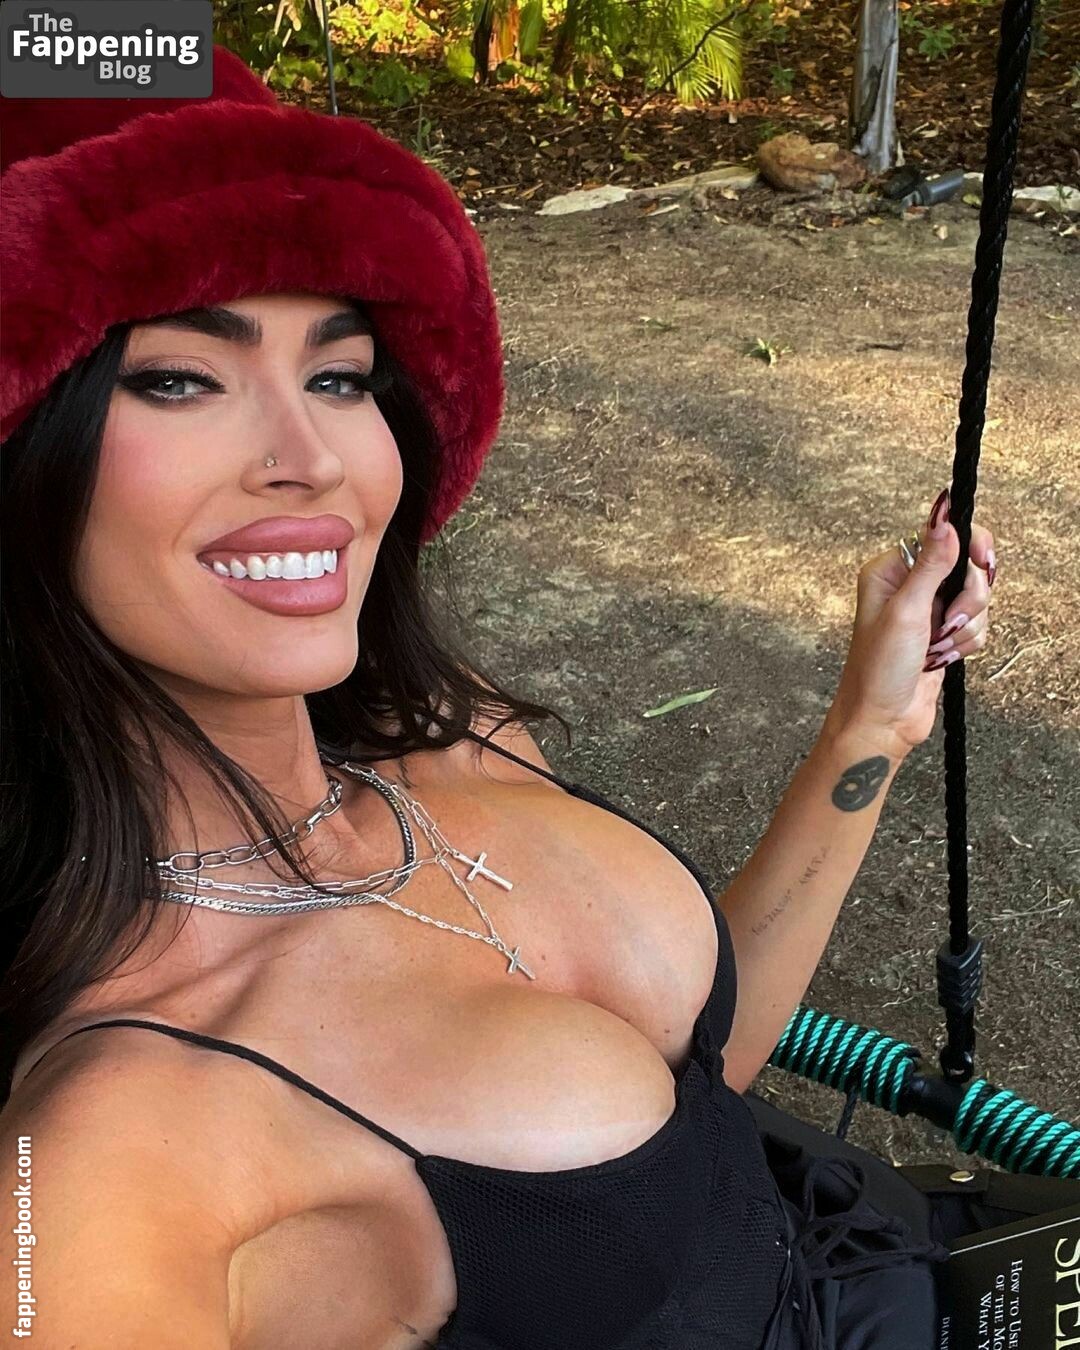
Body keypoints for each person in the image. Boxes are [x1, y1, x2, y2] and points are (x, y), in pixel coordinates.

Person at [0, 45, 1002, 1350]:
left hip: (898, 1261)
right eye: (180, 378)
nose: (311, 457)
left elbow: (702, 1089)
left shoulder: (442, 727)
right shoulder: (120, 1136)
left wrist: (871, 725)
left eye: (339, 374)